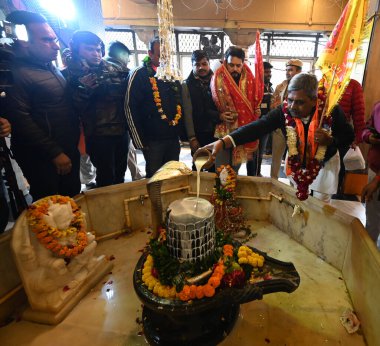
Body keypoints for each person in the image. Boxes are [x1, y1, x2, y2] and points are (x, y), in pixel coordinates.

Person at [200, 73, 355, 202]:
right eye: (290, 99)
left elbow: (348, 136)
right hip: (297, 161)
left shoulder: (331, 111)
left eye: (300, 102)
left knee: (321, 204)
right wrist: (223, 141)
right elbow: (258, 127)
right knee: (298, 199)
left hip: (324, 164)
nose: (293, 106)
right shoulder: (285, 110)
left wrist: (331, 141)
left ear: (314, 101)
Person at [4, 11, 80, 201]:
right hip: (43, 157)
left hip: (66, 149)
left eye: (54, 39)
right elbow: (21, 120)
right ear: (23, 40)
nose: (55, 46)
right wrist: (54, 153)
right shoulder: (15, 73)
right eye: (46, 40)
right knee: (50, 211)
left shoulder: (48, 66)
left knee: (72, 203)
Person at [66, 31, 129, 187]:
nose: (96, 54)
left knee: (120, 173)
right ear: (77, 50)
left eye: (98, 49)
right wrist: (84, 90)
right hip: (98, 134)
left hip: (121, 129)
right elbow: (73, 109)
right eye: (89, 49)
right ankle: (106, 209)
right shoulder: (71, 74)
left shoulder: (115, 68)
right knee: (106, 176)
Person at [126, 37, 185, 178]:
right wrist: (139, 141)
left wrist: (182, 134)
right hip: (152, 140)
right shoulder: (139, 74)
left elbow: (179, 104)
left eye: (167, 56)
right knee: (155, 178)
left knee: (172, 175)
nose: (164, 60)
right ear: (150, 53)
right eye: (160, 55)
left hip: (172, 137)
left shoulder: (172, 75)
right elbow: (130, 108)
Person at [211, 46, 260, 171]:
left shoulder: (250, 79)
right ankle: (220, 190)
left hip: (242, 131)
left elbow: (255, 102)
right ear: (225, 62)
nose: (235, 69)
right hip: (223, 129)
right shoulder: (216, 78)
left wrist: (256, 110)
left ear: (243, 63)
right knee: (221, 169)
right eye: (231, 65)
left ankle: (231, 190)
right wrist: (219, 115)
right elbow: (207, 107)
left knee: (234, 171)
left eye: (238, 66)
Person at [105, 41, 144, 181]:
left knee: (116, 171)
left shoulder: (118, 71)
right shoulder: (113, 71)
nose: (128, 60)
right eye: (127, 56)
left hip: (117, 128)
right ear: (122, 54)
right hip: (109, 130)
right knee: (110, 174)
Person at [182, 50, 220, 172]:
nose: (201, 67)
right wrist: (192, 137)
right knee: (198, 167)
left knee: (215, 168)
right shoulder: (187, 85)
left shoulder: (217, 81)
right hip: (198, 134)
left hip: (216, 133)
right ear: (192, 65)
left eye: (204, 64)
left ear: (209, 64)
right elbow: (187, 113)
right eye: (197, 64)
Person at [270, 59, 303, 179]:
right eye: (287, 70)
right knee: (276, 158)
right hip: (280, 128)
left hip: (297, 130)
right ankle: (273, 183)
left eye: (290, 70)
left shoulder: (304, 88)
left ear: (299, 71)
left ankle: (295, 187)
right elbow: (273, 104)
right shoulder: (281, 86)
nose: (288, 73)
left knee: (295, 159)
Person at [336, 79, 366, 198]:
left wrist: (357, 138)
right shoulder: (323, 81)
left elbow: (359, 114)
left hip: (342, 136)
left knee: (339, 171)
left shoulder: (353, 85)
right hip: (320, 133)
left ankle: (333, 199)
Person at [247, 61, 274, 176]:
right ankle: (252, 174)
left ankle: (258, 172)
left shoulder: (270, 87)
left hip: (267, 124)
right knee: (254, 151)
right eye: (266, 72)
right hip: (257, 123)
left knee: (261, 151)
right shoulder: (254, 87)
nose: (269, 74)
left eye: (269, 72)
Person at [361, 102, 380, 245]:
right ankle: (369, 250)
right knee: (372, 215)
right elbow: (367, 128)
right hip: (375, 168)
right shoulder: (377, 106)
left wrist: (376, 181)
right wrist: (369, 137)